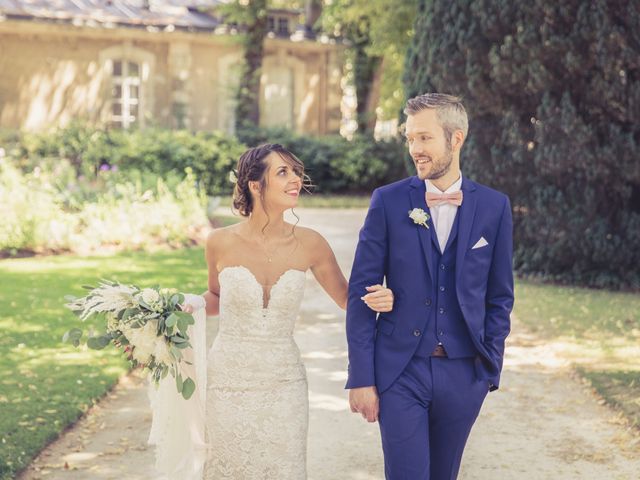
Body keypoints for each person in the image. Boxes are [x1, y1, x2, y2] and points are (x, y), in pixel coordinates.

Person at [179, 143, 395, 479]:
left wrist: (386, 299)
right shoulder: (219, 241)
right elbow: (217, 296)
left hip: (284, 382)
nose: (296, 179)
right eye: (283, 172)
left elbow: (347, 300)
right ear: (255, 184)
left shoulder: (311, 243)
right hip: (227, 381)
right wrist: (188, 303)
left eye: (296, 171)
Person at [346, 93, 514, 479]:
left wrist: (489, 369)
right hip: (401, 371)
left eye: (424, 138)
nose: (415, 149)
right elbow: (361, 293)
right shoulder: (387, 202)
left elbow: (500, 296)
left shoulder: (494, 207)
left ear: (456, 139)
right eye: (410, 139)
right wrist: (362, 377)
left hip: (464, 372)